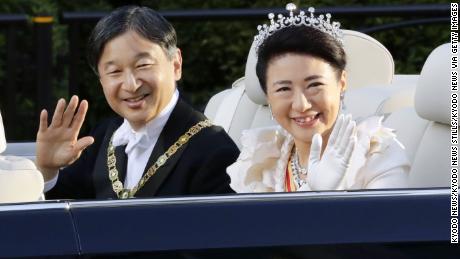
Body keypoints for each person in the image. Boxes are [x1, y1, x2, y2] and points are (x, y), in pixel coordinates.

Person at [36, 6, 239, 199]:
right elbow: (65, 218)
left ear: (176, 64)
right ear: (101, 80)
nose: (131, 85)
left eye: (143, 65)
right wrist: (48, 170)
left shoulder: (215, 151)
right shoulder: (103, 136)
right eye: (115, 71)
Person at [227, 3, 410, 192]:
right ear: (268, 95)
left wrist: (324, 195)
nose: (302, 104)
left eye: (314, 85)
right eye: (283, 89)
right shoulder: (260, 156)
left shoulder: (377, 153)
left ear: (342, 82)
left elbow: (387, 221)